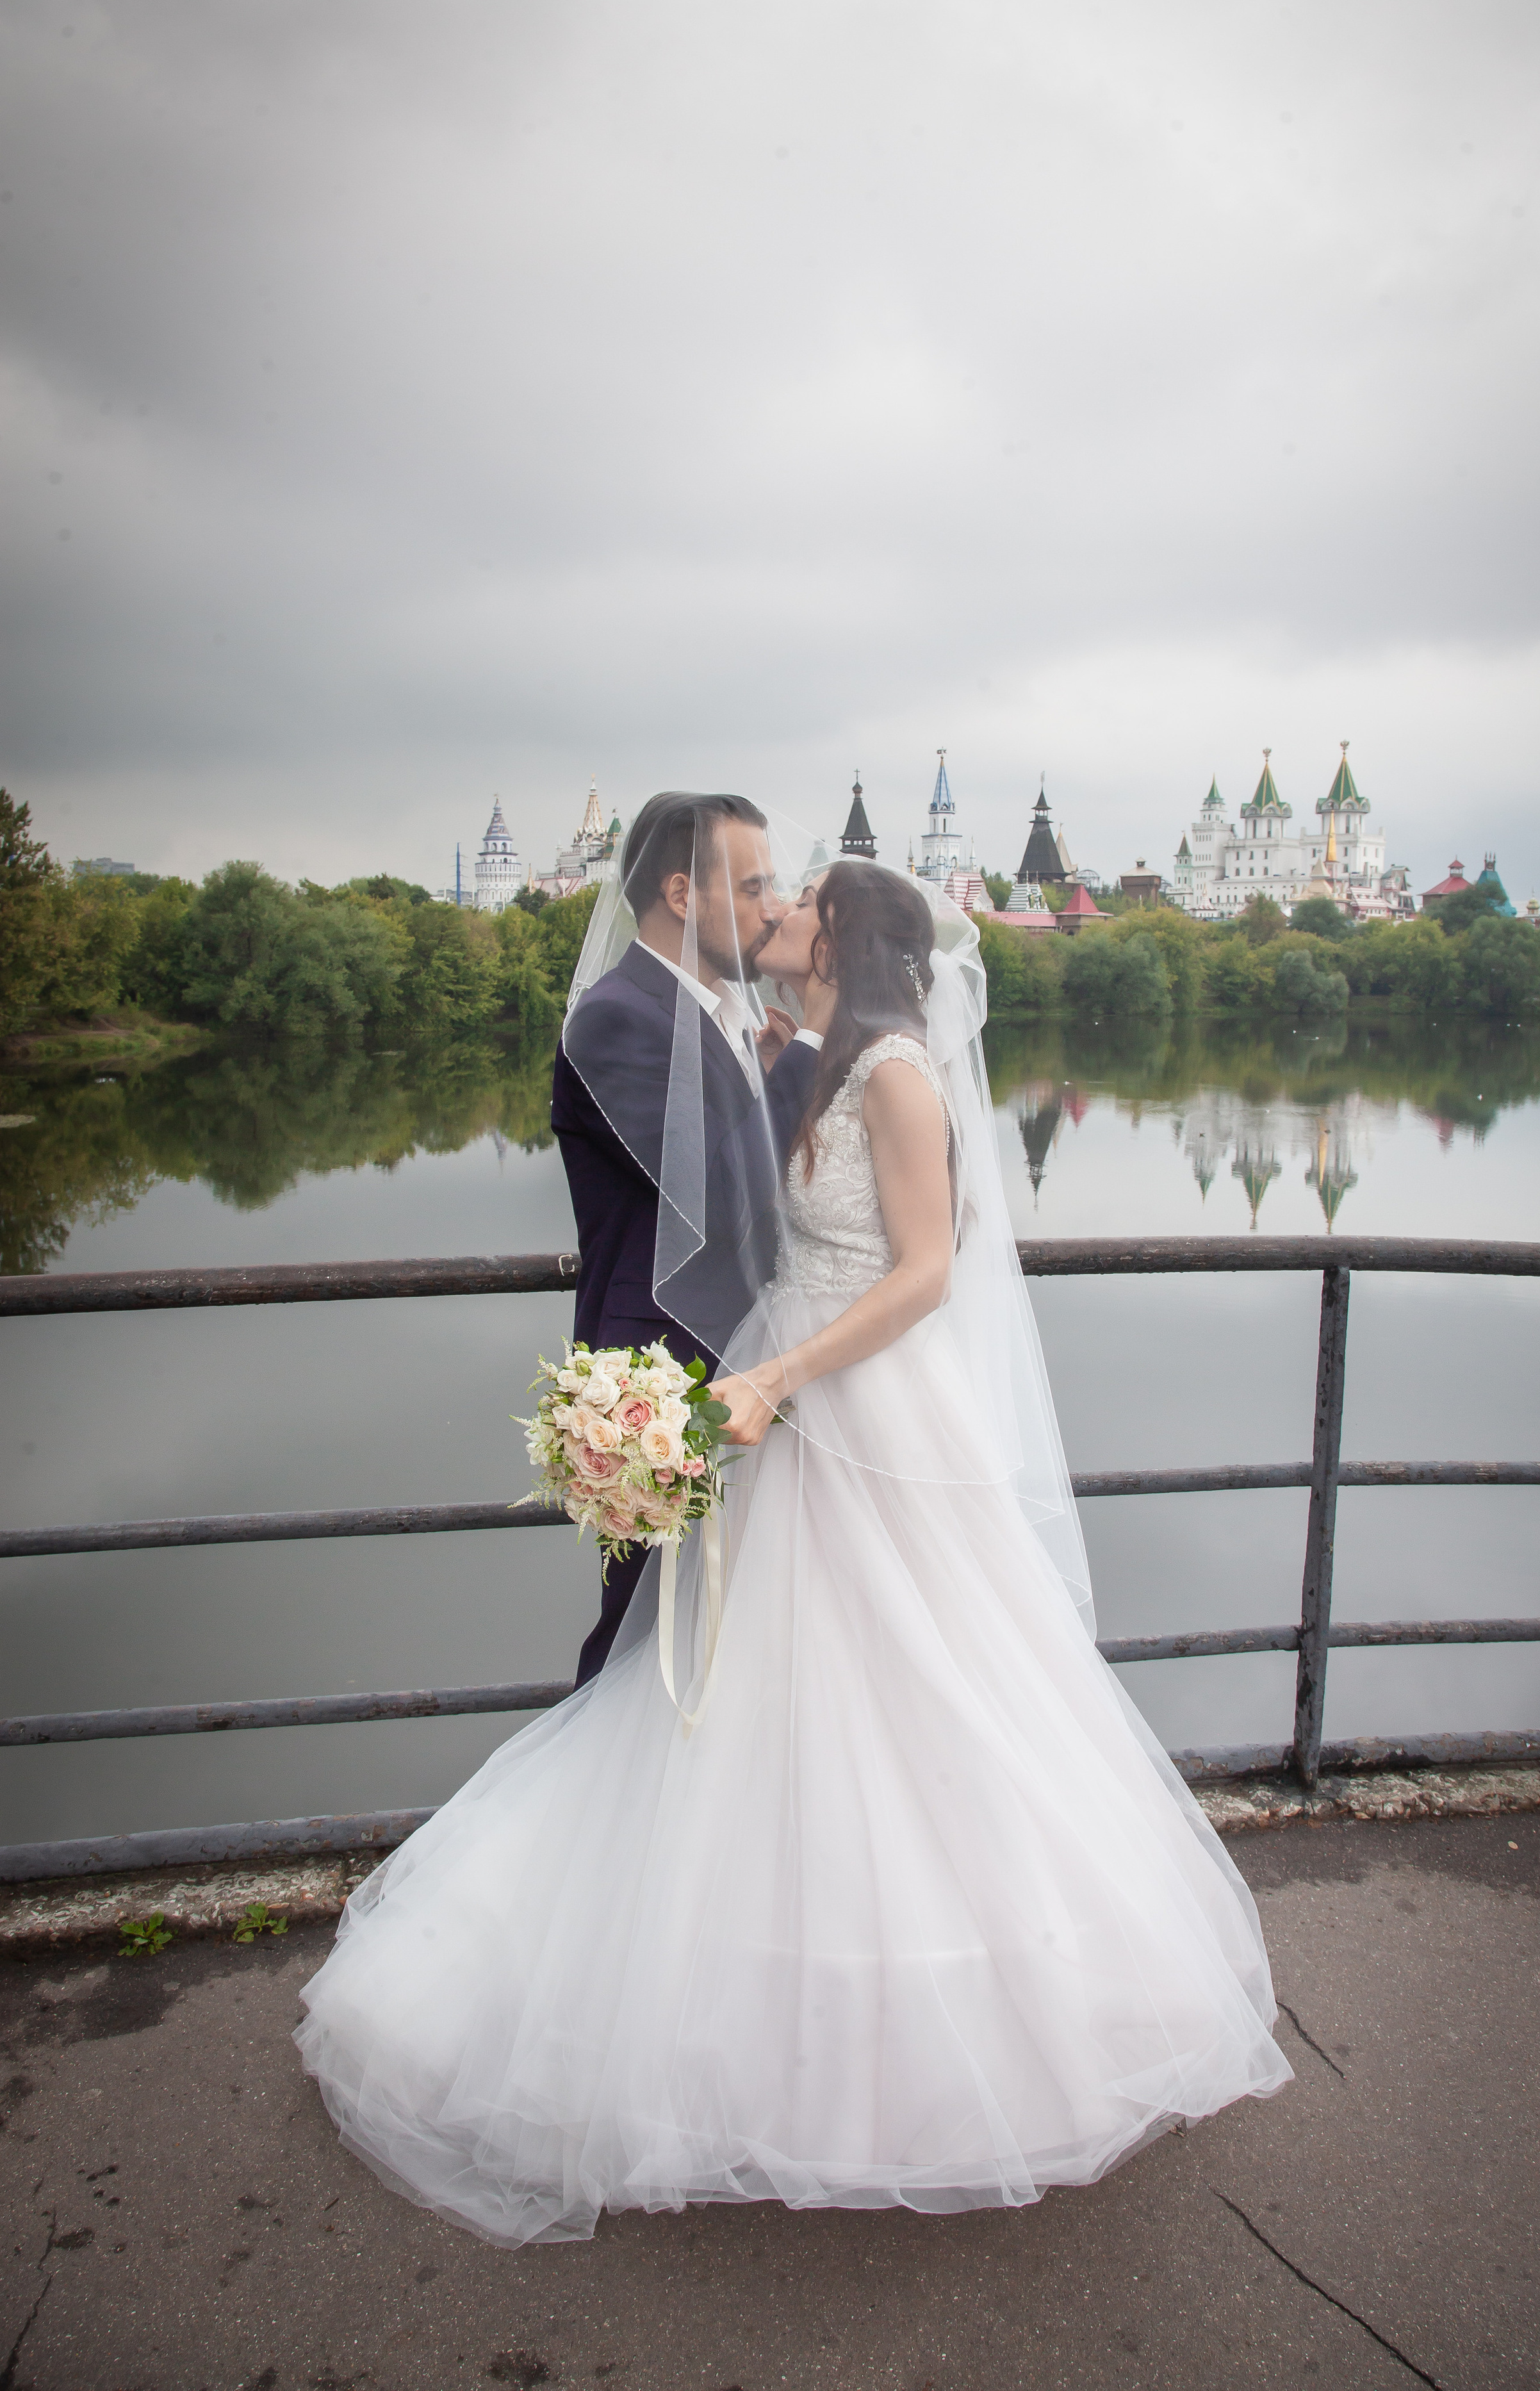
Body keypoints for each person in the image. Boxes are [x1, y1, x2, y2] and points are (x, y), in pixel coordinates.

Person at [295, 855, 1290, 2246]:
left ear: (849, 942)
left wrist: (777, 1380)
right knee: (757, 1690)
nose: (783, 915)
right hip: (787, 1398)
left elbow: (925, 1271)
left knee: (914, 1687)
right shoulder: (821, 1055)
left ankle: (929, 2016)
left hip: (862, 1409)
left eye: (805, 903)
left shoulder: (892, 1073)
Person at [548, 791, 820, 1686]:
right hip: (658, 1379)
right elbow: (720, 1194)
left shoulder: (710, 1012)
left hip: (737, 1368)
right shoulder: (618, 1017)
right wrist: (813, 1043)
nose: (773, 907)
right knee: (638, 1649)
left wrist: (774, 1074)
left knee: (727, 1646)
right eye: (752, 887)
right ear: (679, 893)